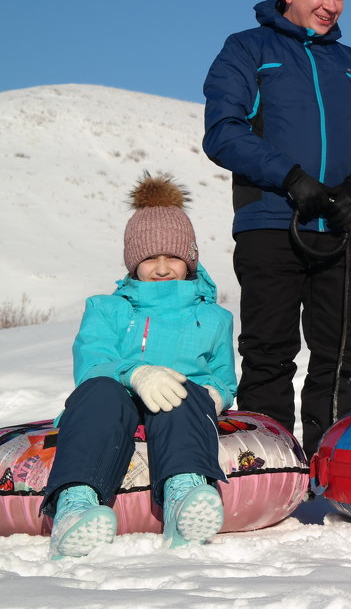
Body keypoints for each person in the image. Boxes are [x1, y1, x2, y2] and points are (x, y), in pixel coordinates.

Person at [203, 0, 351, 457]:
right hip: (271, 221)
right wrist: (292, 179)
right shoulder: (248, 48)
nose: (331, 5)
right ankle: (268, 464)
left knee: (338, 353)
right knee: (269, 351)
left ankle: (332, 463)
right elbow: (224, 131)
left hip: (339, 227)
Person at [41, 174, 236, 558]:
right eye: (150, 258)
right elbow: (92, 362)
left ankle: (184, 495)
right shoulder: (107, 308)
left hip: (181, 406)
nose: (162, 268)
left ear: (190, 259)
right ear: (134, 262)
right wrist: (136, 373)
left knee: (183, 392)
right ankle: (75, 505)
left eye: (173, 257)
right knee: (99, 391)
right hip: (114, 398)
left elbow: (224, 377)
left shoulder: (215, 318)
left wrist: (211, 396)